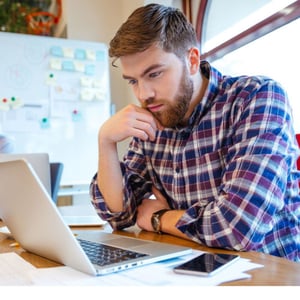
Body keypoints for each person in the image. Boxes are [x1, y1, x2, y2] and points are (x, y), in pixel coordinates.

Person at [90, 3, 300, 261]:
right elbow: (119, 214)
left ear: (191, 60)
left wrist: (158, 218)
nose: (144, 94)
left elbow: (236, 228)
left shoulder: (256, 98)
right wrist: (105, 141)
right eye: (133, 81)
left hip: (267, 275)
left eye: (154, 74)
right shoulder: (155, 115)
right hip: (190, 269)